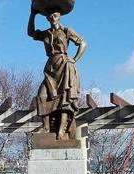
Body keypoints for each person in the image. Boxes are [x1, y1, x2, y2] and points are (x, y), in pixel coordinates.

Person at [28, 6, 86, 140]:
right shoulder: (46, 33)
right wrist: (33, 15)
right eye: (50, 16)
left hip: (65, 66)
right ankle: (46, 127)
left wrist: (74, 59)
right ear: (47, 18)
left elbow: (83, 43)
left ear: (59, 16)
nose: (52, 17)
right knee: (42, 96)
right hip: (50, 68)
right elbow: (31, 33)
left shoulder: (66, 31)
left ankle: (61, 131)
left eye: (55, 15)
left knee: (65, 99)